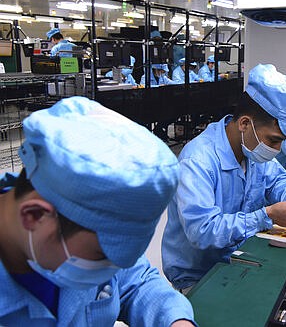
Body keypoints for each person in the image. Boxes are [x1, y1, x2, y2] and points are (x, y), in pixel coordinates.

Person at [0, 96, 195, 326]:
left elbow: (136, 280)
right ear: (35, 216)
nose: (109, 269)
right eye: (101, 256)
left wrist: (175, 319)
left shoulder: (95, 235)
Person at [162, 64, 286, 291]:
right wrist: (268, 215)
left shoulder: (250, 149)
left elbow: (277, 179)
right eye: (273, 141)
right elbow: (203, 231)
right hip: (199, 278)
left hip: (240, 257)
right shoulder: (198, 161)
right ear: (245, 123)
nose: (277, 148)